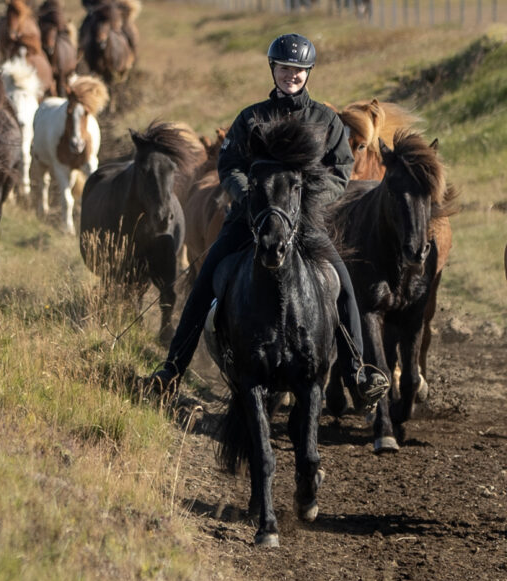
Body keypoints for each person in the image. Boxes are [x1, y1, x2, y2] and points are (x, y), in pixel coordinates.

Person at [146, 33, 383, 407]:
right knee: (205, 280)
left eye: (298, 70)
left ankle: (357, 372)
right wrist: (252, 198)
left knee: (344, 286)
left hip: (304, 223)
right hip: (250, 220)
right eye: (285, 68)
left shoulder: (326, 122)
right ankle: (172, 370)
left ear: (308, 72)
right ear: (273, 69)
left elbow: (340, 173)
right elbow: (229, 166)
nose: (291, 76)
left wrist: (304, 202)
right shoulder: (251, 118)